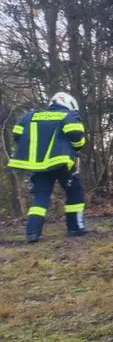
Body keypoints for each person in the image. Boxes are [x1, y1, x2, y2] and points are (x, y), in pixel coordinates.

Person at [9, 91, 88, 242]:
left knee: (40, 197)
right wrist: (77, 147)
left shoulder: (31, 116)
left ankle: (32, 233)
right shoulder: (67, 115)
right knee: (74, 191)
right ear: (69, 104)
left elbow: (17, 133)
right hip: (61, 163)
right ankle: (75, 227)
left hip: (39, 166)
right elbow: (76, 133)